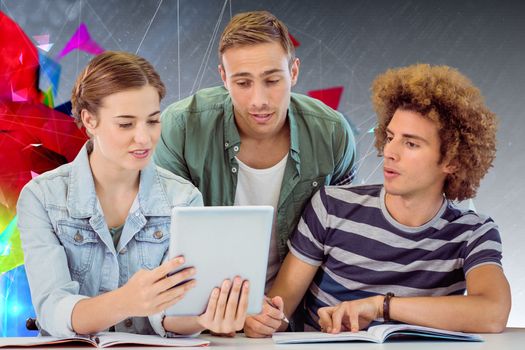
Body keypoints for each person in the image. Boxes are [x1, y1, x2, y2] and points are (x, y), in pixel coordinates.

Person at [245, 63, 512, 337]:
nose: (389, 153)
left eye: (411, 143)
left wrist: (381, 307)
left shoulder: (474, 233)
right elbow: (279, 310)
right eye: (390, 137)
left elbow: (493, 313)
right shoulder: (331, 207)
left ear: (452, 160)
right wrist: (263, 320)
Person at [17, 51, 249, 337]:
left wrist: (204, 319)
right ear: (90, 121)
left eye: (152, 121)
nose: (144, 138)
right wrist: (125, 301)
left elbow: (171, 313)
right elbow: (53, 309)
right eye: (126, 124)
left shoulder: (183, 198)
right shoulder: (41, 197)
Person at [154, 10, 356, 327]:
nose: (258, 100)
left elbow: (342, 242)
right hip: (199, 313)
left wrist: (275, 311)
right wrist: (224, 313)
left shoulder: (332, 133)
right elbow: (158, 241)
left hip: (300, 319)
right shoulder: (179, 128)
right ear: (223, 77)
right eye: (243, 82)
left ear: (294, 71)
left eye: (272, 80)